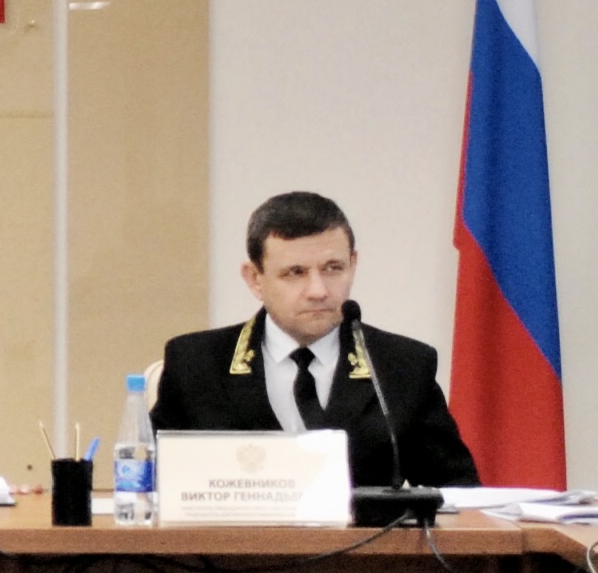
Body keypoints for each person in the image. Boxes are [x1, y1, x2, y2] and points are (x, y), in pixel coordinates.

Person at [152, 189, 477, 489]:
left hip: (367, 536)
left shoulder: (403, 366)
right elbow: (150, 487)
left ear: (353, 265)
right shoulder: (196, 364)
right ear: (254, 279)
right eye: (295, 273)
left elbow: (459, 496)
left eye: (333, 268)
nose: (318, 291)